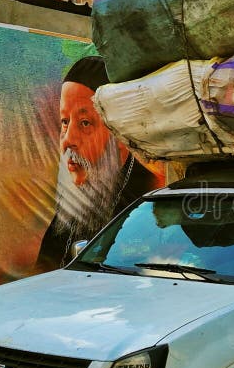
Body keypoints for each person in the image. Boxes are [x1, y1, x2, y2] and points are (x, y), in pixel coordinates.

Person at [36, 56, 163, 270]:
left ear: (118, 132)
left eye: (85, 123)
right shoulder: (71, 207)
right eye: (64, 122)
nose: (68, 140)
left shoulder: (148, 197)